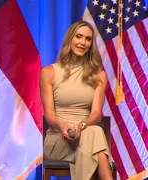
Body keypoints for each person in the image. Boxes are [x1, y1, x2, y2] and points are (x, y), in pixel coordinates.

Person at [40, 20, 113, 180]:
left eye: (88, 39)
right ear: (70, 39)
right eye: (78, 37)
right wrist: (62, 126)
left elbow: (96, 114)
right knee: (97, 140)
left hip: (87, 132)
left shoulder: (99, 76)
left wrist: (82, 125)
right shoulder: (49, 73)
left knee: (93, 132)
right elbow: (49, 115)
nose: (83, 42)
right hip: (59, 138)